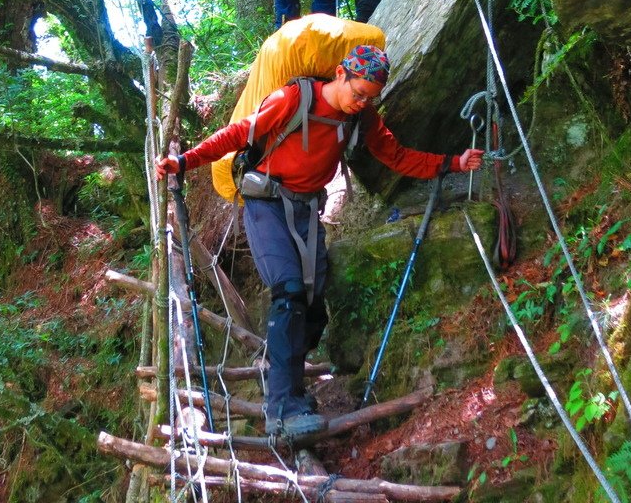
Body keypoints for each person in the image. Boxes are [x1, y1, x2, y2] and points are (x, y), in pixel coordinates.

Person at [156, 45, 483, 439]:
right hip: (265, 205)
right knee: (289, 292)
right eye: (358, 92)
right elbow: (239, 133)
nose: (361, 102)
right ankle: (282, 408)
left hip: (307, 211)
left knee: (313, 311)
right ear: (341, 74)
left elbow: (395, 155)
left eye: (369, 98)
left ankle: (290, 388)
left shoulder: (360, 117)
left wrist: (451, 163)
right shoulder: (294, 98)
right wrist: (185, 160)